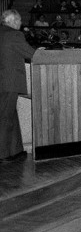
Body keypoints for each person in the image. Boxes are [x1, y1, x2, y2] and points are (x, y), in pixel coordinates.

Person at [0, 10, 37, 161]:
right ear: (13, 21)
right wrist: (41, 52)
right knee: (5, 117)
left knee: (11, 115)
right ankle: (2, 153)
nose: (21, 24)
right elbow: (31, 54)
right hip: (10, 82)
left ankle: (15, 150)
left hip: (3, 82)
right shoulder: (15, 35)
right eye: (19, 20)